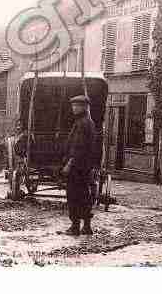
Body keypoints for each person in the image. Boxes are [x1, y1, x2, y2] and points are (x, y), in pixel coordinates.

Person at [61, 95, 96, 236]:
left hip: (77, 167)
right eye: (73, 105)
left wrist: (69, 164)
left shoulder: (82, 123)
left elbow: (78, 146)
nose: (74, 108)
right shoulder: (88, 122)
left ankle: (75, 226)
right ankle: (87, 226)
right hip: (85, 166)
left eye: (77, 106)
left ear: (85, 107)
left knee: (73, 195)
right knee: (84, 195)